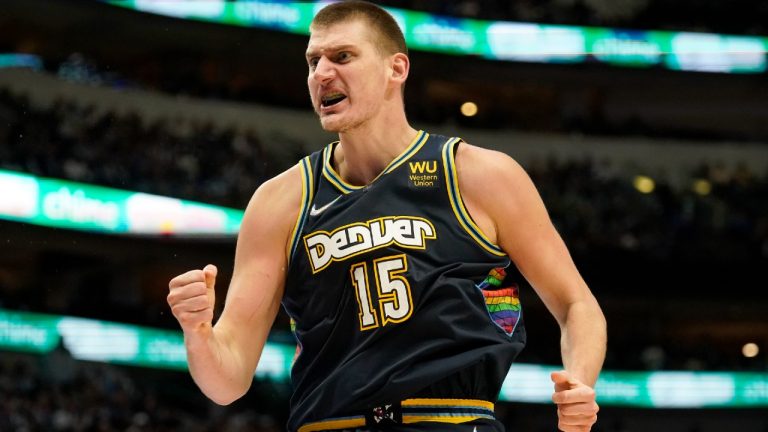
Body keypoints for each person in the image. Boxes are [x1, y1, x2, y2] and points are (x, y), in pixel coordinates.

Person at [167, 1, 607, 431]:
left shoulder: (478, 175)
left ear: (396, 69)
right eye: (312, 61)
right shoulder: (279, 201)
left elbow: (578, 305)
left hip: (450, 419)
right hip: (327, 422)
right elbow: (227, 381)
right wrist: (198, 331)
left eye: (342, 56)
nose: (321, 74)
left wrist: (581, 383)